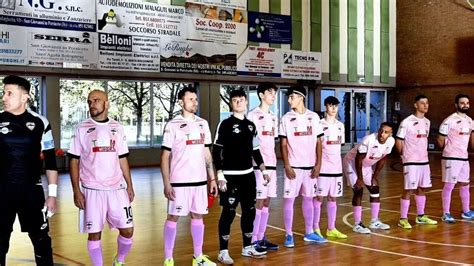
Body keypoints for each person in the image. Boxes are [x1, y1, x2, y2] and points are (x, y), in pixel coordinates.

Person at [68, 90, 134, 266]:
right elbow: (74, 162)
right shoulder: (81, 128)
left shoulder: (117, 127)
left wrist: (130, 185)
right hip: (92, 189)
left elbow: (122, 158)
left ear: (107, 103)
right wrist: (76, 191)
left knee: (128, 231)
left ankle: (119, 261)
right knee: (95, 233)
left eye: (97, 100)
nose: (92, 104)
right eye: (89, 101)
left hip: (117, 188)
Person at [0, 75, 58, 266]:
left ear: (24, 97)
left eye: (9, 93)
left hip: (31, 193)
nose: (4, 97)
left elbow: (51, 162)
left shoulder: (41, 122)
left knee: (42, 241)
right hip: (2, 193)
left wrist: (52, 195)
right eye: (4, 92)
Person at [160, 86, 218, 266]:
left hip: (200, 182)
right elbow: (165, 156)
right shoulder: (172, 125)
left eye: (196, 99)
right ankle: (168, 259)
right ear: (180, 102)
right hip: (179, 182)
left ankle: (198, 257)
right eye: (191, 99)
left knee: (198, 217)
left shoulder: (203, 123)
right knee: (173, 218)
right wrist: (167, 184)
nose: (195, 102)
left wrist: (212, 178)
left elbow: (207, 152)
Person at [213, 89, 270, 264]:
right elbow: (217, 151)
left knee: (249, 212)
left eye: (241, 100)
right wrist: (220, 174)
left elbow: (255, 150)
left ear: (246, 102)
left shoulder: (251, 126)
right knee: (228, 213)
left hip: (248, 176)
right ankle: (223, 251)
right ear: (231, 103)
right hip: (230, 177)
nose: (238, 102)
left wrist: (263, 169)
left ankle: (247, 247)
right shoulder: (225, 124)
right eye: (235, 100)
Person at [280, 85, 327, 248]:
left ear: (301, 97)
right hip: (293, 167)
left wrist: (318, 164)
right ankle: (289, 234)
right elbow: (283, 144)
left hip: (310, 168)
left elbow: (319, 142)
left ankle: (309, 233)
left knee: (309, 199)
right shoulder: (286, 118)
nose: (289, 100)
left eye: (291, 97)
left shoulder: (314, 117)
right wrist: (286, 165)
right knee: (289, 200)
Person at [343, 122, 395, 234]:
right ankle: (357, 224)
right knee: (358, 190)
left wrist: (375, 176)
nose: (382, 134)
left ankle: (374, 221)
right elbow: (358, 159)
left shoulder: (391, 142)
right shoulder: (368, 140)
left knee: (375, 189)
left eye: (386, 132)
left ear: (390, 134)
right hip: (352, 162)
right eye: (381, 130)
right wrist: (360, 179)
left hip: (366, 165)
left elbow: (382, 158)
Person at [396, 95, 437, 229]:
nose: (426, 105)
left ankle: (421, 216)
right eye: (422, 103)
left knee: (422, 188)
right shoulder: (407, 122)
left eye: (427, 103)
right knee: (408, 189)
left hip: (424, 161)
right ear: (415, 105)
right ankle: (403, 218)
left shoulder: (427, 122)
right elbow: (399, 141)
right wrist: (403, 156)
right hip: (411, 162)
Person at [246, 82, 279, 251]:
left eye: (274, 93)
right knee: (258, 202)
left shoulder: (274, 116)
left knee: (267, 201)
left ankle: (262, 237)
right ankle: (253, 240)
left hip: (272, 164)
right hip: (259, 166)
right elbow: (250, 143)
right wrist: (259, 164)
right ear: (260, 95)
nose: (273, 95)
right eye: (270, 92)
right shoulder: (252, 115)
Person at [313, 96, 347, 239]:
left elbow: (341, 145)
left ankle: (331, 228)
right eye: (330, 105)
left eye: (335, 106)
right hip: (323, 169)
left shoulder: (341, 125)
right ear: (326, 106)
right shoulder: (319, 125)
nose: (333, 109)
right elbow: (315, 147)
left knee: (333, 198)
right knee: (319, 198)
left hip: (337, 170)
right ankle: (315, 228)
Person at [437, 94, 474, 223]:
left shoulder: (470, 121)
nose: (465, 105)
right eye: (462, 103)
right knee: (450, 185)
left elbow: (471, 139)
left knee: (465, 184)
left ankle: (466, 211)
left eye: (467, 103)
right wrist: (448, 151)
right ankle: (446, 213)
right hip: (451, 157)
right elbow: (440, 139)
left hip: (464, 158)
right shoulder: (449, 120)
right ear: (456, 105)